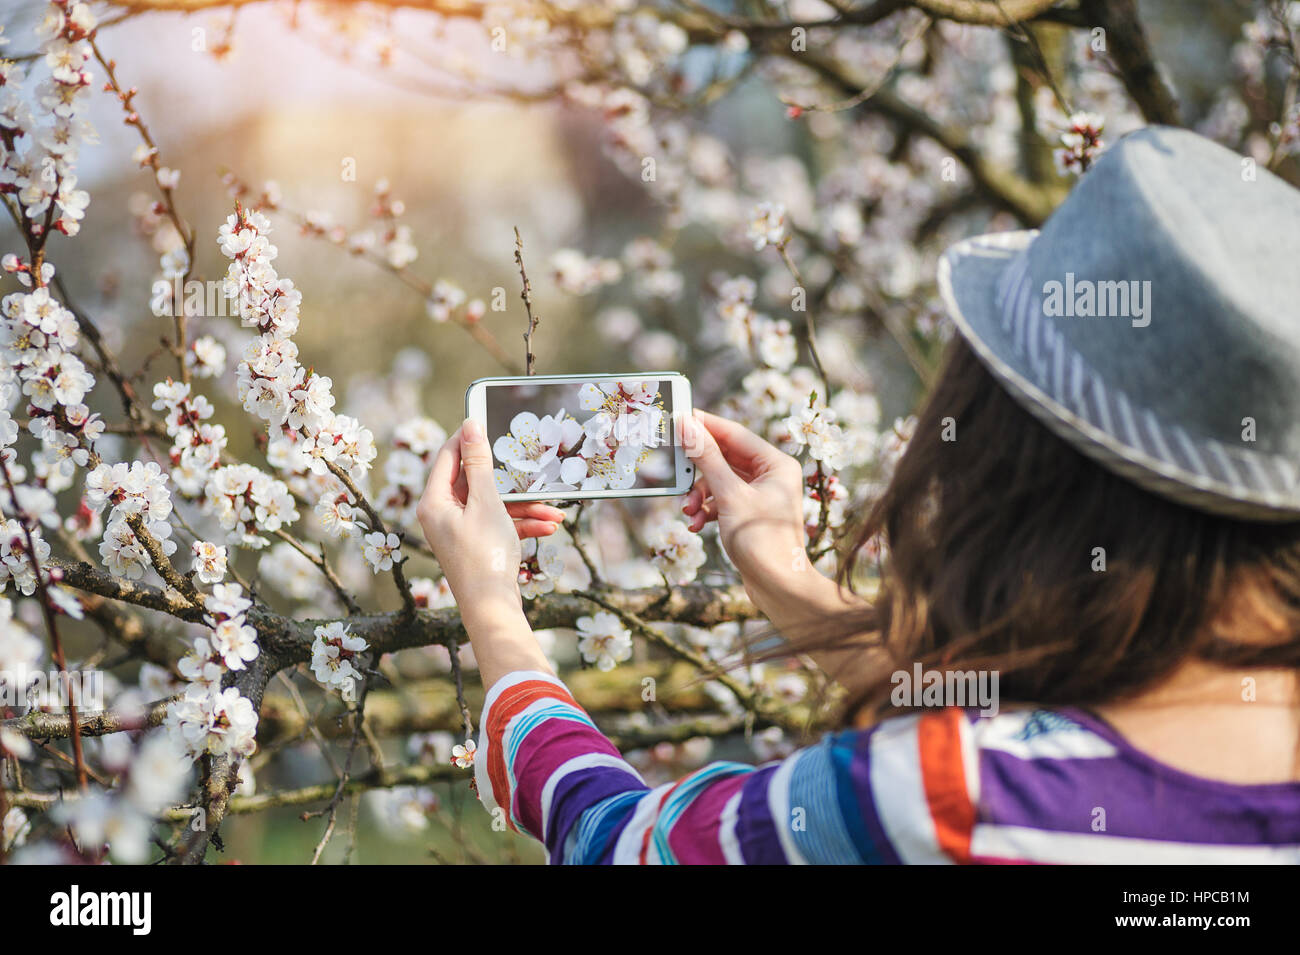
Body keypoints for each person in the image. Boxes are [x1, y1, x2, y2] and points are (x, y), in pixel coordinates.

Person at [417, 126, 1300, 864]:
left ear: (1018, 456)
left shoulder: (936, 796)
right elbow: (1045, 721)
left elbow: (613, 840)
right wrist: (786, 578)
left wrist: (494, 608)